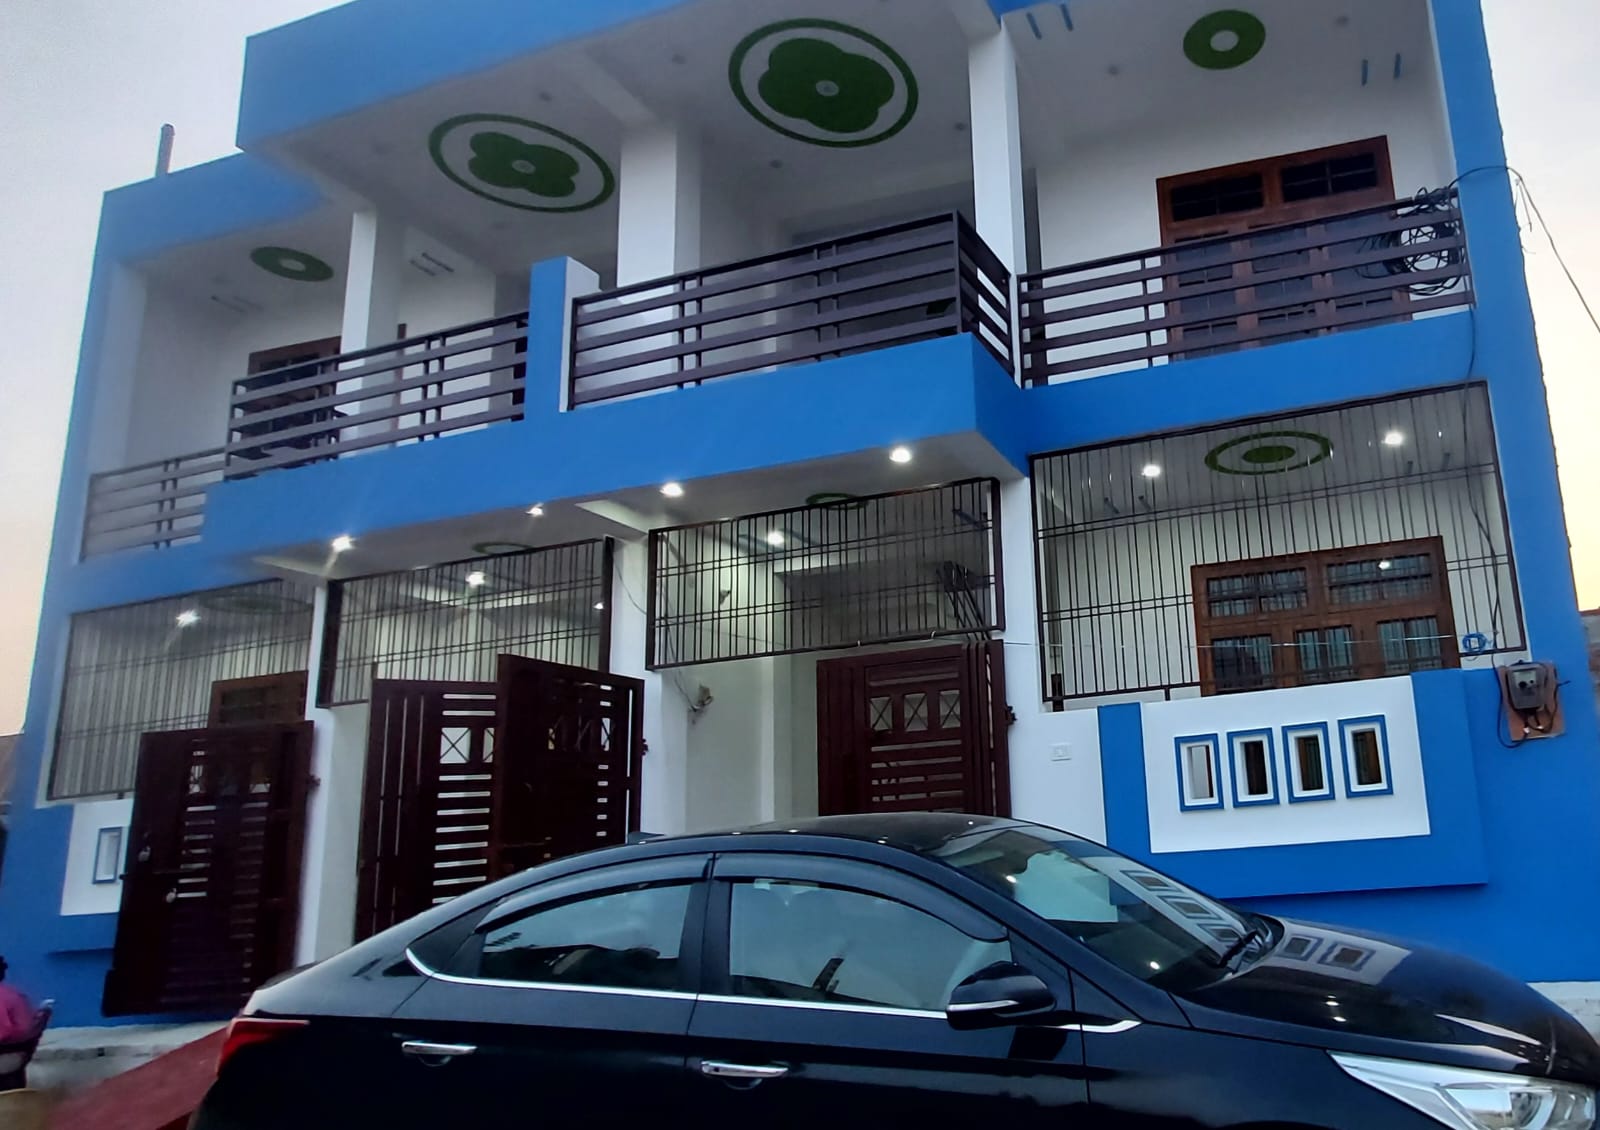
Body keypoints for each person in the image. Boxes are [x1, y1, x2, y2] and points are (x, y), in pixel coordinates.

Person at [0, 957, 40, 1045]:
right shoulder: (15, 994)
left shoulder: (4, 997)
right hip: (23, 1044)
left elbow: (4, 1031)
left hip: (9, 1045)